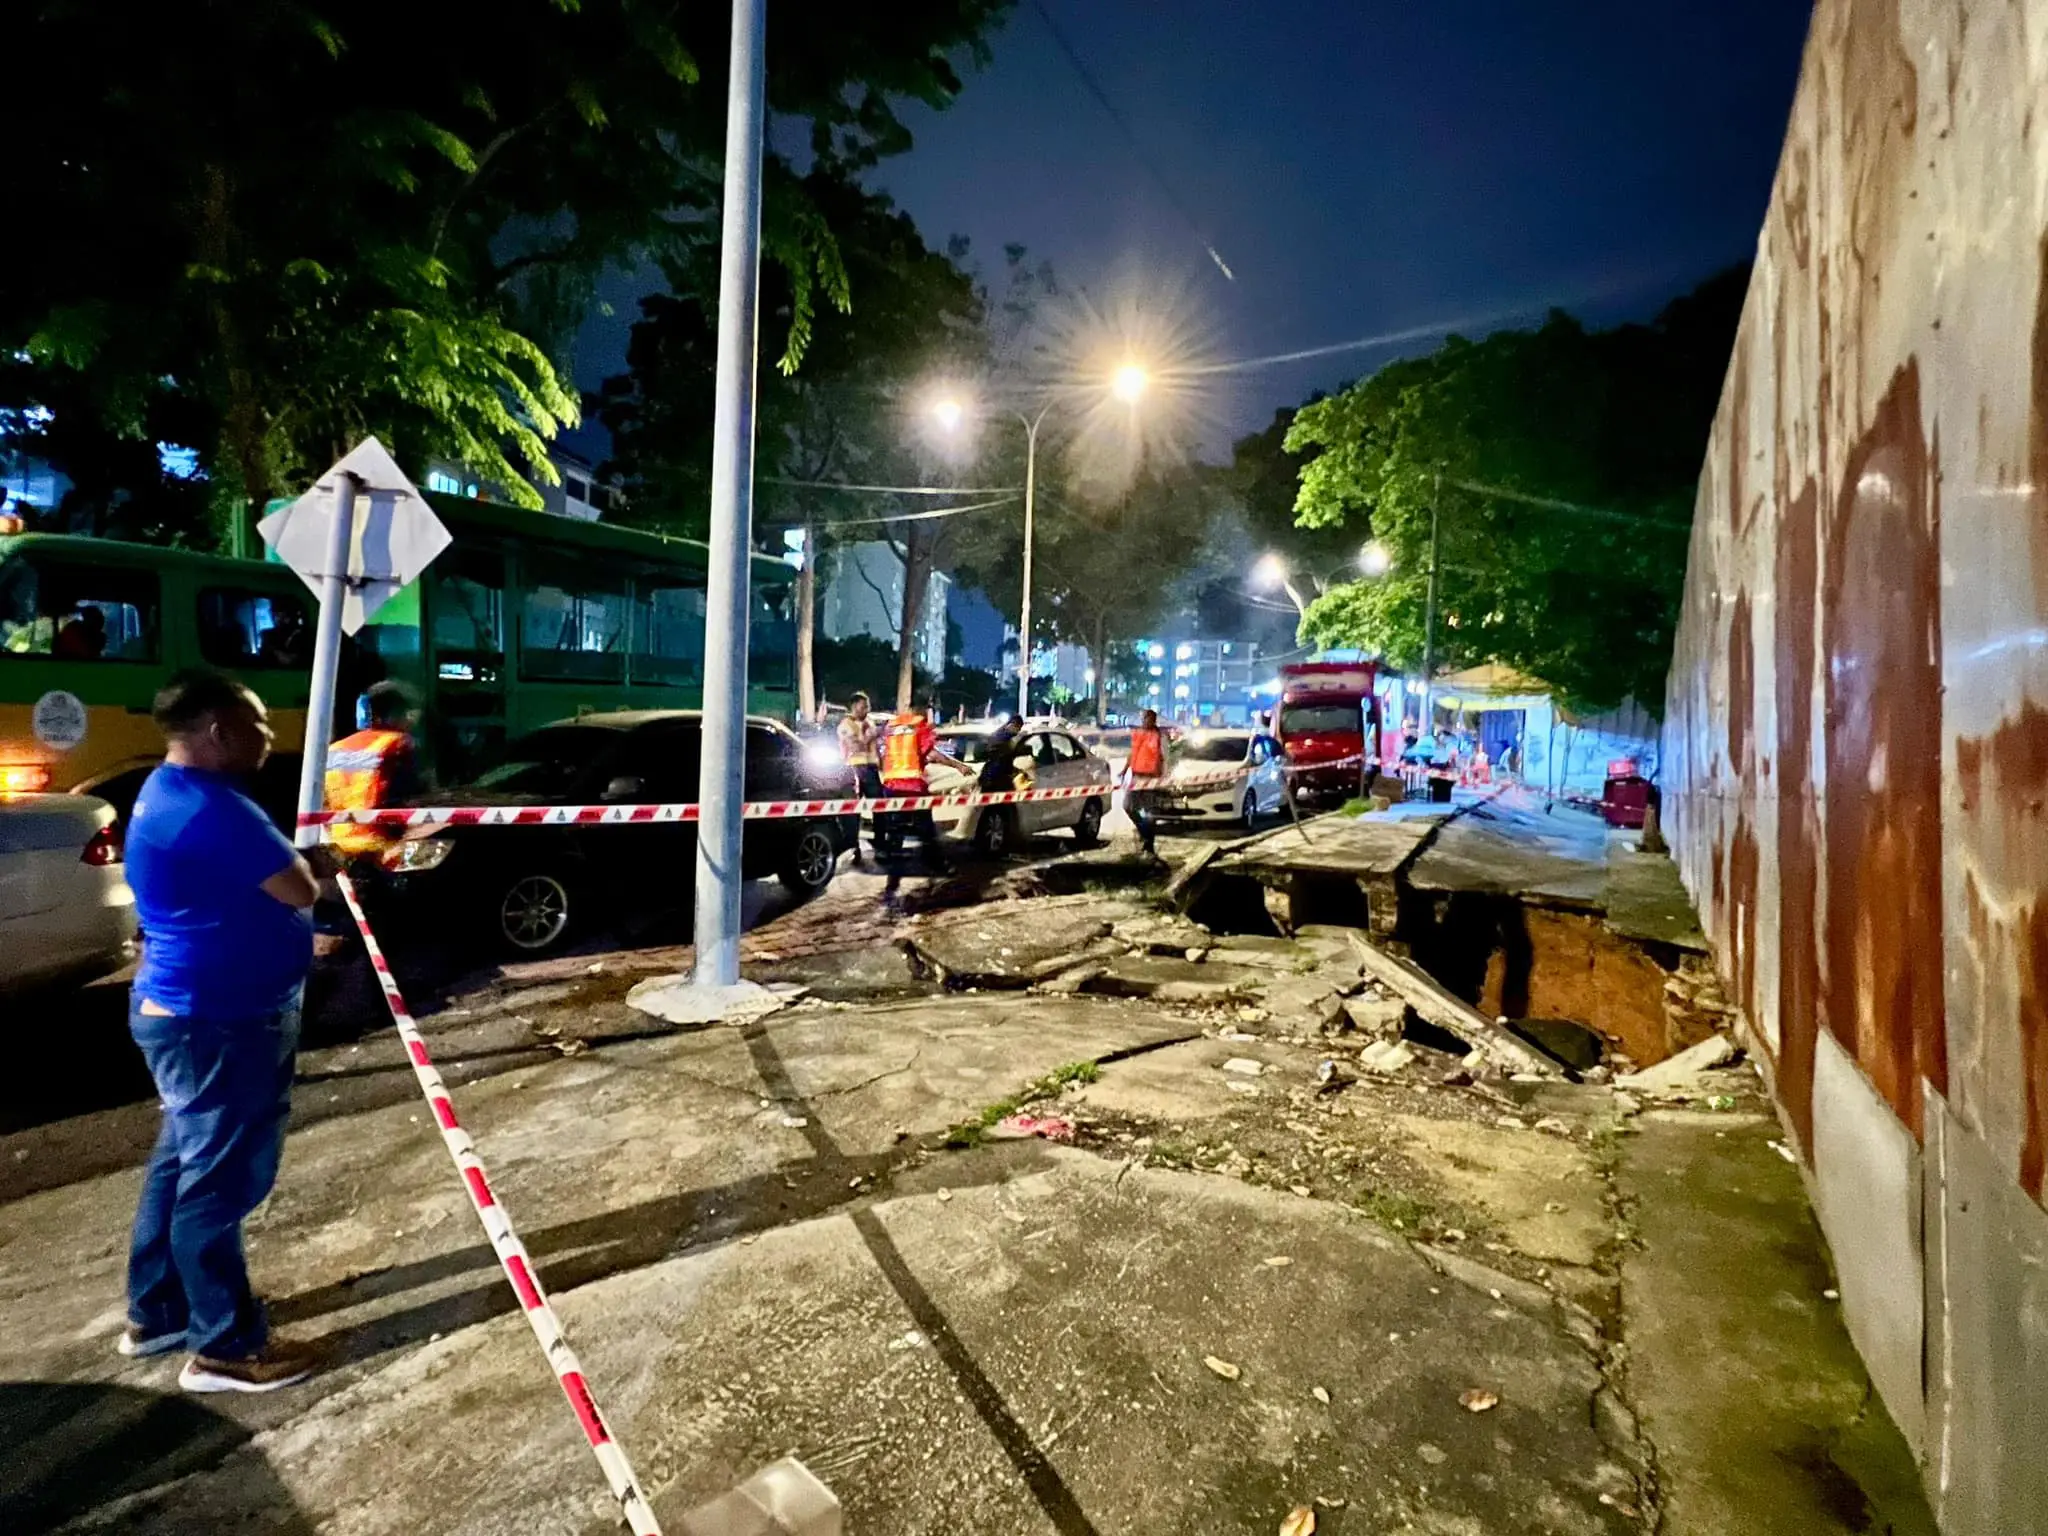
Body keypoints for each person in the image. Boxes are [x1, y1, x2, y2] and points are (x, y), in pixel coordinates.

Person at [120, 669, 331, 1393]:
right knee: (219, 1181)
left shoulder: (162, 792)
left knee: (183, 1162)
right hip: (222, 1021)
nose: (271, 737)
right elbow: (300, 889)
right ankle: (225, 1348)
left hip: (185, 1011)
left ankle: (161, 1309)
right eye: (259, 724)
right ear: (218, 732)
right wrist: (315, 870)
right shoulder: (216, 809)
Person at [322, 681, 422, 868]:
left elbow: (323, 802)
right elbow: (407, 799)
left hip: (338, 847)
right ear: (398, 713)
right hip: (380, 849)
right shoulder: (398, 744)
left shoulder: (335, 748)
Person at [877, 700, 966, 879]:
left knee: (896, 824)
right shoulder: (920, 726)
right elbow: (932, 753)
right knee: (925, 825)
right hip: (911, 784)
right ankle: (936, 863)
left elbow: (882, 751)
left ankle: (892, 861)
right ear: (923, 710)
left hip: (891, 783)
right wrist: (957, 765)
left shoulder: (892, 726)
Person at [1124, 708, 1172, 861]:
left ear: (1154, 720)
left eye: (1148, 718)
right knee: (1128, 806)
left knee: (1151, 813)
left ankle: (1149, 845)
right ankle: (1144, 833)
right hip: (1137, 777)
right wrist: (1125, 770)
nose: (1145, 721)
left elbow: (1165, 757)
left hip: (1152, 778)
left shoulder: (1160, 736)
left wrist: (1163, 779)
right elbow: (1133, 753)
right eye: (1144, 718)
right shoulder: (1139, 734)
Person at [977, 714, 1026, 794]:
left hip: (995, 778)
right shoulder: (1001, 738)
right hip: (994, 779)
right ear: (1012, 725)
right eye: (1018, 728)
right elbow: (1000, 760)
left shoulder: (1003, 737)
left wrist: (1015, 771)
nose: (1018, 731)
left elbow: (1005, 760)